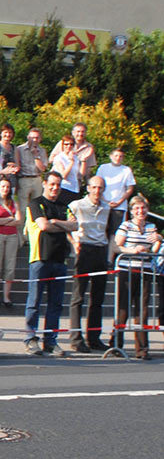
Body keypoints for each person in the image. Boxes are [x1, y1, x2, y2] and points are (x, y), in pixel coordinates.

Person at [24, 171, 76, 355]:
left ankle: (50, 341)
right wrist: (61, 224)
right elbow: (44, 226)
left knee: (56, 303)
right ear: (45, 183)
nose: (55, 188)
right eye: (52, 184)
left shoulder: (63, 206)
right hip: (40, 258)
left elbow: (75, 225)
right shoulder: (35, 203)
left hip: (59, 259)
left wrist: (55, 221)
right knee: (34, 301)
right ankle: (30, 338)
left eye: (58, 185)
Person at [112, 195, 160, 359]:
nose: (140, 211)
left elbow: (154, 248)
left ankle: (142, 349)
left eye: (143, 208)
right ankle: (116, 344)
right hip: (127, 270)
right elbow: (117, 245)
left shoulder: (151, 226)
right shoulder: (126, 225)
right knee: (123, 308)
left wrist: (159, 239)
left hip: (145, 271)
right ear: (132, 211)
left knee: (143, 310)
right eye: (137, 208)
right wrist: (132, 251)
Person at [67, 175, 111, 352]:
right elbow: (67, 227)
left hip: (101, 250)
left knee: (98, 298)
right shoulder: (76, 205)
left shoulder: (107, 208)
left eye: (100, 188)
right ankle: (76, 339)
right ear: (88, 188)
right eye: (94, 187)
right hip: (84, 249)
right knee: (78, 297)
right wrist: (73, 242)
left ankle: (94, 337)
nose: (97, 191)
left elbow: (110, 231)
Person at [0, 175, 23, 309]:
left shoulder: (14, 203)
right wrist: (10, 219)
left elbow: (19, 221)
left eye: (7, 186)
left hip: (12, 236)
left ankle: (6, 296)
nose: (5, 189)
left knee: (10, 266)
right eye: (2, 186)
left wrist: (4, 219)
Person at [96, 146, 136, 237]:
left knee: (115, 233)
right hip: (103, 204)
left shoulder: (126, 170)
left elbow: (130, 189)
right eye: (116, 155)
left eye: (120, 156)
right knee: (100, 231)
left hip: (119, 207)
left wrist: (119, 202)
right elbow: (97, 184)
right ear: (111, 156)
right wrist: (105, 201)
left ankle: (113, 251)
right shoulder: (103, 168)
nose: (118, 158)